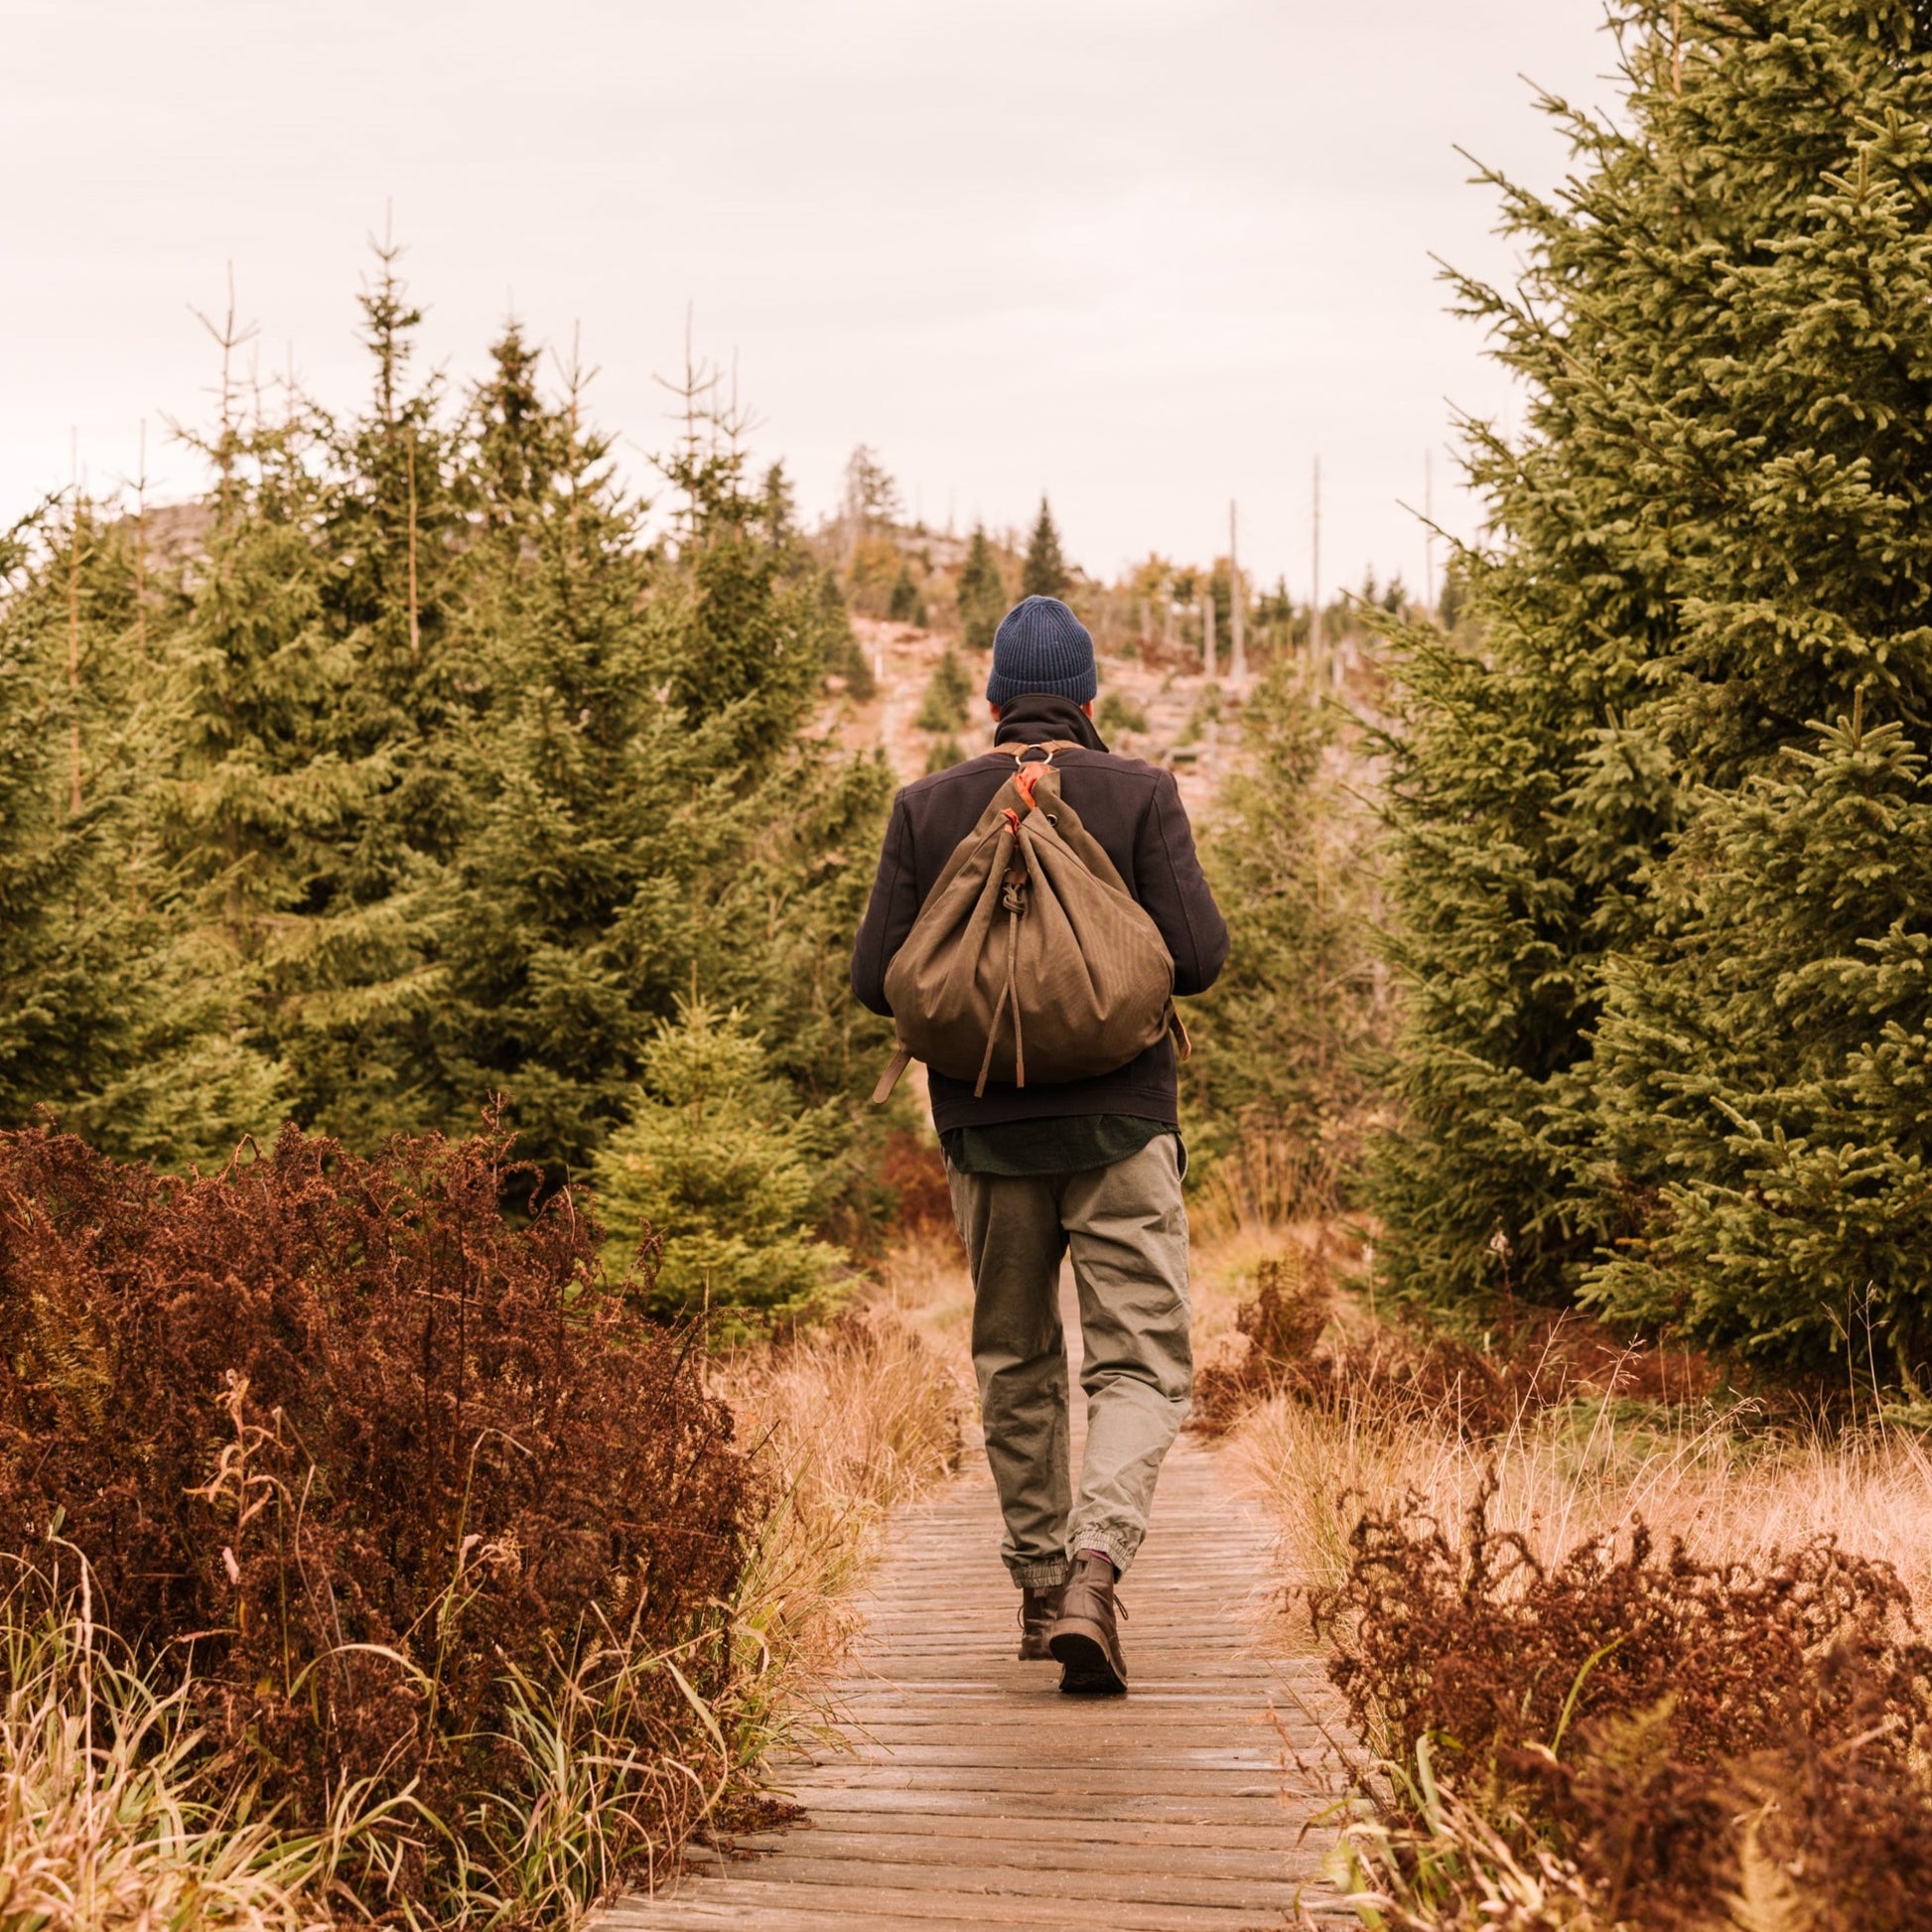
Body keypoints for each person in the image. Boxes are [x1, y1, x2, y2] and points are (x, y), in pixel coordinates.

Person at [851, 593, 1228, 1695]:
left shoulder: (928, 806)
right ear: (1089, 696)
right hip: (1121, 1124)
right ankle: (1093, 1573)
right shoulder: (1138, 792)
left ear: (993, 699)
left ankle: (1032, 1587)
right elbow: (1197, 957)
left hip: (984, 1128)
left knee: (1015, 1358)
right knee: (1138, 1359)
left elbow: (877, 977)